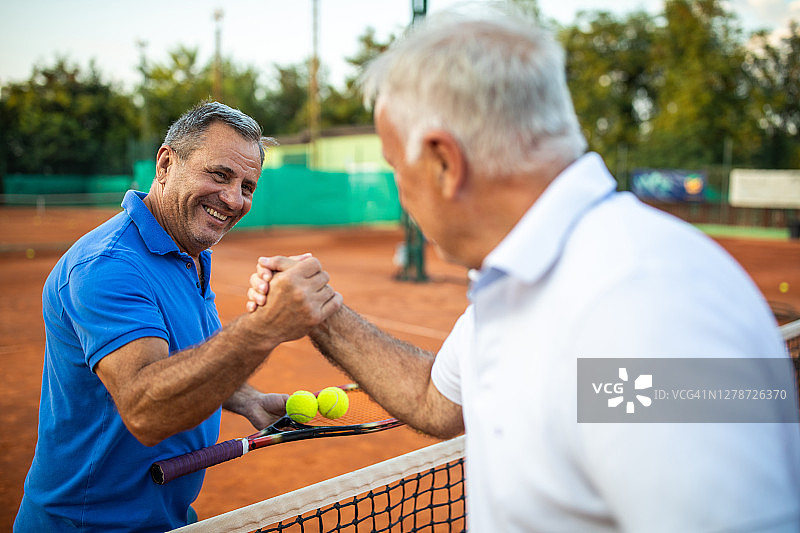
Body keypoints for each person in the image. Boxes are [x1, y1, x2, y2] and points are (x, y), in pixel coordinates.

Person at [247, 6, 800, 532]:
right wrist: (321, 314)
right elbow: (437, 400)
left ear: (444, 162)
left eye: (396, 166)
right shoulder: (523, 277)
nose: (400, 192)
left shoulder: (644, 305)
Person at [14, 101, 342, 532]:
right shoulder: (107, 266)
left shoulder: (190, 252)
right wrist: (267, 327)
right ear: (167, 163)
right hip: (89, 523)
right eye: (219, 175)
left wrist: (246, 398)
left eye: (247, 186)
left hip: (164, 518)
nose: (233, 199)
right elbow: (146, 409)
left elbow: (188, 357)